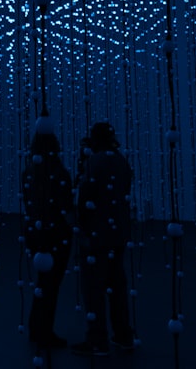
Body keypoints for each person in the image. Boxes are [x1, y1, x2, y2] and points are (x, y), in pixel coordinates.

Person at [71, 122, 134, 357]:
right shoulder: (121, 161)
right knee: (117, 286)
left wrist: (83, 230)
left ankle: (97, 340)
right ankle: (124, 335)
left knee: (93, 289)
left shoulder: (94, 162)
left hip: (97, 235)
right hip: (118, 233)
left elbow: (83, 196)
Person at [21, 129, 74, 350]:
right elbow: (66, 208)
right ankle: (43, 332)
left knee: (43, 282)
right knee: (50, 285)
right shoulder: (59, 173)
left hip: (35, 232)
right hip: (56, 235)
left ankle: (37, 328)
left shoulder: (29, 172)